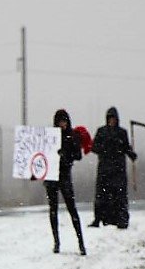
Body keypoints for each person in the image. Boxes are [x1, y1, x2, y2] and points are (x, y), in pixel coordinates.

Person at [45, 109, 86, 255]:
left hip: (64, 175)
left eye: (64, 121)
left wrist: (66, 155)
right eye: (60, 122)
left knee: (72, 209)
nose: (62, 124)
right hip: (51, 176)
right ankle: (56, 242)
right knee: (53, 210)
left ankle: (80, 242)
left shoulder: (72, 135)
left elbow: (78, 155)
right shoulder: (50, 135)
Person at [89, 107, 137, 229]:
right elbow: (94, 147)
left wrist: (131, 154)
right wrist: (104, 148)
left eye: (114, 119)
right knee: (101, 196)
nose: (112, 121)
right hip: (104, 169)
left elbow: (126, 147)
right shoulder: (101, 131)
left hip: (118, 170)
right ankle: (99, 218)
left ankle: (121, 219)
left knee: (120, 196)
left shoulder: (122, 132)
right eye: (110, 118)